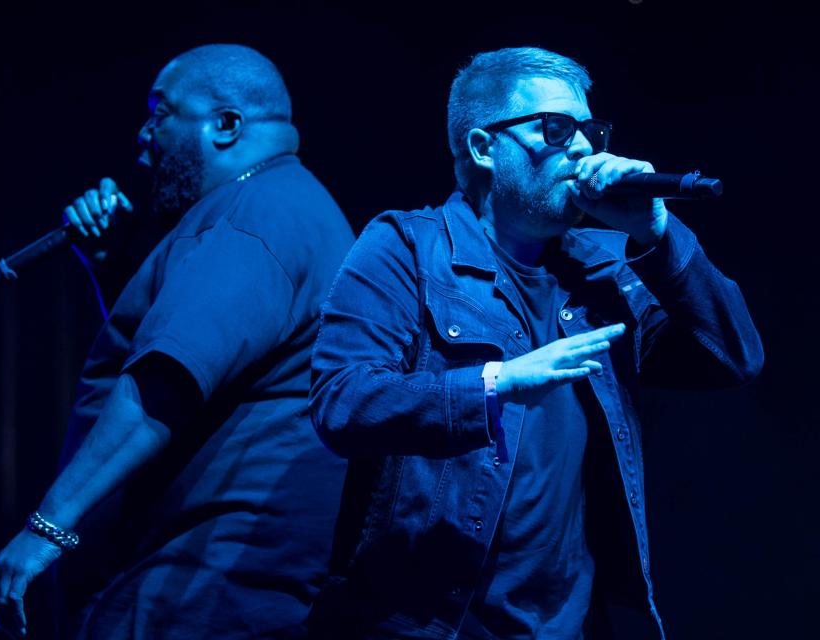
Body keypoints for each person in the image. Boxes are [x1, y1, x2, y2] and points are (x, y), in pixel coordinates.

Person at [305, 47, 763, 639]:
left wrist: (657, 232)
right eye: (556, 128)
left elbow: (733, 356)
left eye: (589, 131)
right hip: (429, 622)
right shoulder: (405, 248)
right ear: (483, 148)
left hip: (566, 627)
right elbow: (342, 402)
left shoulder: (605, 269)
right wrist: (497, 384)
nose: (581, 148)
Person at [0, 44, 355, 639]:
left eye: (160, 113)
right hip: (205, 578)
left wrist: (47, 527)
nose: (143, 134)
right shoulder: (273, 206)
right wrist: (109, 266)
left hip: (201, 584)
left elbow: (167, 380)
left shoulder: (252, 219)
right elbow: (194, 355)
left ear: (226, 125)